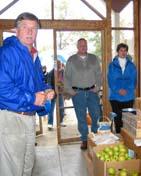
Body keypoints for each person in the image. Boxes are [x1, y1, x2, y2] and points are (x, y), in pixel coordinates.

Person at [0, 12, 55, 176]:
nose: (30, 32)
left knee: (27, 165)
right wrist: (32, 98)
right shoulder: (7, 53)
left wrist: (46, 89)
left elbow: (38, 82)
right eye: (25, 28)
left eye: (34, 28)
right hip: (11, 118)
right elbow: (2, 89)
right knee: (11, 168)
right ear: (15, 31)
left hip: (29, 117)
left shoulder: (33, 55)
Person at [64, 38, 102, 150]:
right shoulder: (71, 60)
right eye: (81, 45)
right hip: (78, 93)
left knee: (96, 115)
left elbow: (99, 75)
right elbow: (67, 77)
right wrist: (71, 92)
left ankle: (94, 136)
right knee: (81, 118)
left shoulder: (94, 59)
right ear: (77, 46)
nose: (83, 47)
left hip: (92, 92)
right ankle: (84, 139)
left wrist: (98, 87)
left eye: (85, 45)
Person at [107, 43, 137, 133]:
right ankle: (119, 136)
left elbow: (133, 80)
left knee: (128, 119)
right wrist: (118, 90)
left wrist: (127, 90)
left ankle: (127, 138)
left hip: (128, 96)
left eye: (125, 51)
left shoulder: (131, 65)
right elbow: (110, 80)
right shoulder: (112, 65)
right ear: (117, 52)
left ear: (127, 52)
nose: (123, 52)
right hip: (115, 97)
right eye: (121, 50)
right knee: (118, 119)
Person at [47, 61, 66, 130]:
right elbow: (48, 83)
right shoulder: (51, 73)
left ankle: (61, 121)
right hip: (53, 93)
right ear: (54, 66)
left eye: (59, 65)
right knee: (51, 109)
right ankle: (50, 124)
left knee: (61, 107)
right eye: (57, 65)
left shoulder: (63, 72)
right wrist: (51, 91)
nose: (59, 67)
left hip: (60, 93)